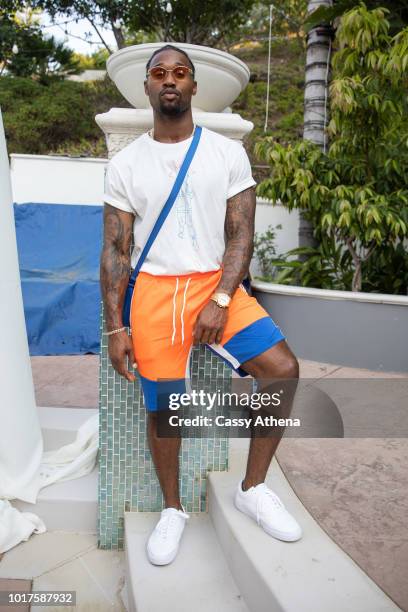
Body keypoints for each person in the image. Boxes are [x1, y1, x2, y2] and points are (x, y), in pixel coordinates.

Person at [100, 44, 302, 567]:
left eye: (180, 73)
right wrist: (114, 328)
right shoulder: (126, 164)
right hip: (155, 293)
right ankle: (173, 509)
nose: (170, 81)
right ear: (148, 86)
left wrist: (219, 298)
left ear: (193, 87)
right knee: (164, 406)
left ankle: (252, 487)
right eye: (160, 74)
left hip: (215, 284)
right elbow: (115, 251)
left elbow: (241, 236)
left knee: (280, 369)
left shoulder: (225, 153)